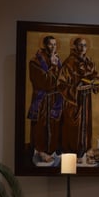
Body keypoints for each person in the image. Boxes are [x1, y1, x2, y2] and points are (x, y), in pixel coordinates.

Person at [57, 37, 99, 160]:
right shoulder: (68, 63)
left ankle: (84, 150)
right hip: (73, 102)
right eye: (80, 45)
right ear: (75, 47)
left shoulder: (89, 62)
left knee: (85, 125)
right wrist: (76, 89)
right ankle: (71, 153)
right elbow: (61, 84)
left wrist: (94, 82)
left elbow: (95, 76)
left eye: (85, 45)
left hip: (86, 100)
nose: (82, 48)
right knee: (73, 127)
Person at [27, 35, 63, 164]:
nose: (53, 47)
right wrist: (53, 66)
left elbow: (61, 78)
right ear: (44, 45)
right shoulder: (35, 61)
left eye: (55, 44)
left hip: (54, 98)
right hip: (42, 99)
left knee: (53, 125)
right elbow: (44, 82)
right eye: (50, 44)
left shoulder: (57, 59)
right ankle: (41, 152)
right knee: (41, 126)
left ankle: (51, 150)